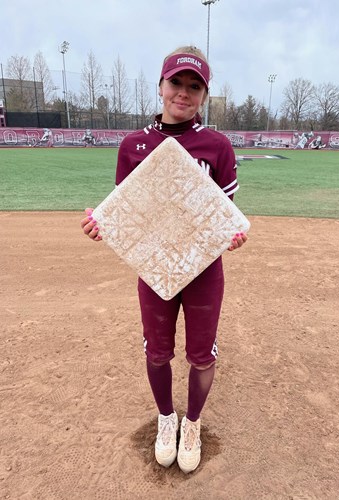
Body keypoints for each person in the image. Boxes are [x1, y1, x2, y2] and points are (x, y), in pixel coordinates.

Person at [81, 45, 248, 474]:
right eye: (176, 82)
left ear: (203, 96)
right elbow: (126, 214)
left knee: (201, 355)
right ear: (160, 85)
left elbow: (224, 216)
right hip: (153, 270)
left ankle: (191, 424)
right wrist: (102, 225)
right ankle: (166, 418)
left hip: (204, 272)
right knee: (157, 352)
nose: (184, 93)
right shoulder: (134, 145)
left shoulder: (217, 145)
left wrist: (233, 234)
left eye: (195, 86)